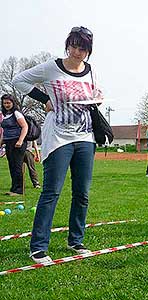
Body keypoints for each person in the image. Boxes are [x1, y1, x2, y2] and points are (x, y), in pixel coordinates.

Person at [13, 26, 100, 263]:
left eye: (83, 48)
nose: (77, 52)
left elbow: (88, 98)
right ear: (67, 44)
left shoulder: (90, 70)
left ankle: (76, 240)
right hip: (58, 138)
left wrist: (97, 97)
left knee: (82, 193)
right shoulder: (52, 67)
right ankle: (38, 247)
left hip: (85, 137)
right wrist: (45, 99)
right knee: (51, 192)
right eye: (73, 45)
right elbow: (18, 80)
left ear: (88, 50)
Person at [0, 94, 28, 196]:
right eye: (4, 103)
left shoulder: (16, 113)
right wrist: (1, 142)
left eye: (8, 103)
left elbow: (25, 127)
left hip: (17, 142)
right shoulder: (5, 114)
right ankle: (14, 188)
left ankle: (19, 190)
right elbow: (5, 131)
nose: (6, 105)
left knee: (17, 165)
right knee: (11, 165)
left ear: (12, 103)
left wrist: (20, 140)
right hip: (8, 142)